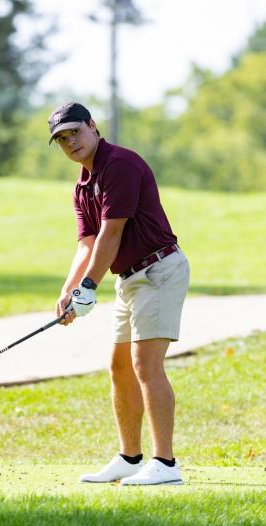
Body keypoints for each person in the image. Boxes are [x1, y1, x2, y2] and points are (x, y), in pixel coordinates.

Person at [49, 102, 190, 486]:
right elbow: (88, 243)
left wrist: (89, 287)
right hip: (129, 279)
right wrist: (68, 292)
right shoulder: (83, 185)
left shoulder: (120, 165)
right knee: (120, 366)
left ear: (93, 127)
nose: (70, 142)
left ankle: (165, 464)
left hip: (160, 269)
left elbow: (112, 234)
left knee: (146, 364)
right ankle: (130, 457)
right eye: (61, 139)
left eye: (74, 132)